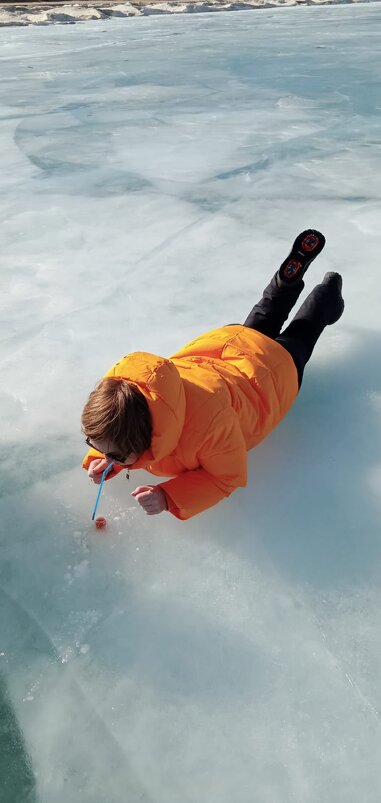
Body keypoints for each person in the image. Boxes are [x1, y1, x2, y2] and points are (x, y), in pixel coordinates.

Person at [81, 230, 344, 521]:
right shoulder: (152, 388)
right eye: (96, 447)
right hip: (225, 345)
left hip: (269, 374)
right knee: (264, 316)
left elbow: (225, 477)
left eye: (115, 457)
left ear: (149, 440)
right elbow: (118, 432)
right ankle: (285, 282)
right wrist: (105, 460)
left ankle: (326, 295)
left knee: (302, 332)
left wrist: (168, 496)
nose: (106, 461)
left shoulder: (208, 432)